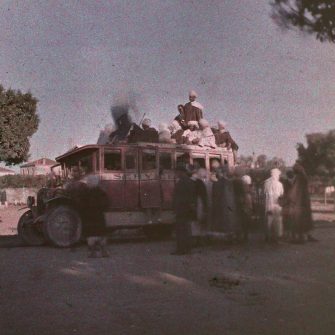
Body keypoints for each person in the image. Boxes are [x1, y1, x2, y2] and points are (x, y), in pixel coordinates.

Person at [288, 162, 317, 243]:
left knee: (298, 220)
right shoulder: (303, 177)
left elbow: (294, 192)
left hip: (299, 202)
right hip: (304, 201)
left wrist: (290, 199)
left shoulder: (298, 178)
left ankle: (300, 238)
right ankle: (307, 236)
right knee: (305, 219)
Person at [172, 165, 197, 255]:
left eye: (177, 172)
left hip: (182, 209)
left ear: (181, 172)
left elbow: (184, 196)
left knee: (181, 230)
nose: (176, 174)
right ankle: (186, 248)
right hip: (185, 209)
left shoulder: (183, 181)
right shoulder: (188, 181)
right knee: (185, 229)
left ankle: (182, 249)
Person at [212, 165, 238, 241]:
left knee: (223, 222)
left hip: (222, 204)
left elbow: (214, 196)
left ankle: (225, 238)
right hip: (228, 205)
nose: (217, 174)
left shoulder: (217, 183)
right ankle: (230, 237)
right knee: (228, 221)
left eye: (219, 172)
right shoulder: (228, 183)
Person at [264, 168, 284, 243]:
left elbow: (265, 193)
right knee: (277, 221)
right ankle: (275, 238)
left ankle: (268, 236)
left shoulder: (266, 183)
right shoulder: (280, 184)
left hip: (268, 204)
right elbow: (281, 195)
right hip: (276, 205)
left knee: (269, 221)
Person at [190, 166, 209, 245]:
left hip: (193, 203)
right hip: (200, 203)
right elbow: (204, 195)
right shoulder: (201, 183)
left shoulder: (192, 182)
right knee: (200, 222)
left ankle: (194, 239)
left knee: (194, 223)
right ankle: (200, 240)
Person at [235, 175, 253, 242]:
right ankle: (244, 235)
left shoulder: (241, 188)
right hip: (246, 205)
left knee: (243, 221)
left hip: (245, 205)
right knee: (245, 221)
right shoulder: (247, 188)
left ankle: (242, 235)